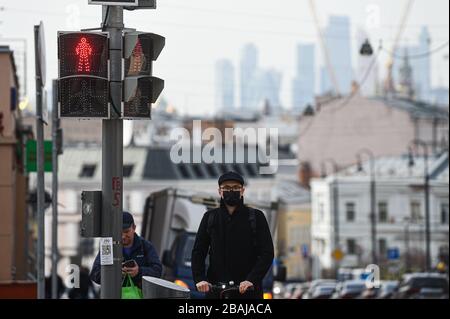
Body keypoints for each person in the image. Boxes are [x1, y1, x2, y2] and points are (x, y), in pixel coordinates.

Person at [191, 171, 274, 299]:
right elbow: (198, 251)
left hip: (248, 292)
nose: (231, 191)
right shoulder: (210, 217)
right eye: (227, 188)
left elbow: (267, 253)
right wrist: (200, 279)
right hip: (216, 291)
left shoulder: (256, 217)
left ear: (242, 191)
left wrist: (251, 280)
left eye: (236, 188)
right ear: (220, 191)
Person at [90, 211, 162, 288]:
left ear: (134, 228)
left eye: (126, 231)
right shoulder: (109, 247)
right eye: (119, 233)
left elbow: (157, 271)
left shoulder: (146, 246)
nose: (123, 236)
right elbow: (95, 274)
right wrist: (116, 274)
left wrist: (139, 272)